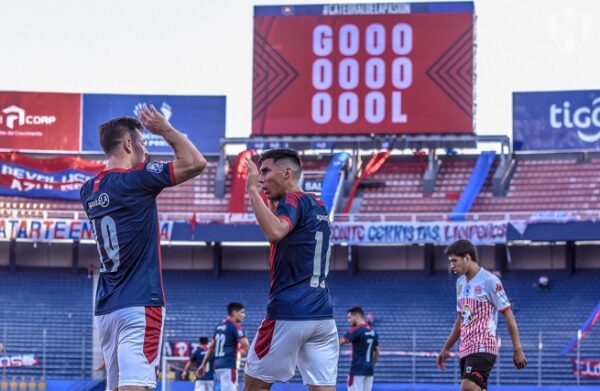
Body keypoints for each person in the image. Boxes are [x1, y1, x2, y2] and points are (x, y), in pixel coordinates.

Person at [80, 105, 207, 391]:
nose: (145, 151)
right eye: (142, 142)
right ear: (128, 144)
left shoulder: (89, 190)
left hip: (106, 307)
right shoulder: (137, 178)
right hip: (139, 301)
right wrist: (165, 129)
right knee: (136, 386)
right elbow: (196, 162)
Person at [242, 149, 339, 391]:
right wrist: (271, 200)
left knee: (254, 386)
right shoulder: (317, 203)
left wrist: (253, 190)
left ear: (287, 173)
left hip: (289, 312)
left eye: (265, 171)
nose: (261, 177)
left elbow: (276, 232)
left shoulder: (292, 200)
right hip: (323, 316)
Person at [437, 239, 527, 391]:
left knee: (467, 387)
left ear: (467, 257)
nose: (451, 266)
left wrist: (517, 349)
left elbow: (508, 315)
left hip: (483, 346)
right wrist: (446, 348)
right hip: (465, 348)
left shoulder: (490, 281)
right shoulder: (460, 283)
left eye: (454, 261)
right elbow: (460, 320)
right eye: (450, 262)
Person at [199, 303, 250, 391]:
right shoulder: (235, 326)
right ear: (234, 312)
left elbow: (211, 347)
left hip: (218, 366)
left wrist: (203, 365)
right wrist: (254, 361)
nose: (244, 315)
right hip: (229, 366)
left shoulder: (219, 326)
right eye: (242, 312)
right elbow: (245, 345)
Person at [339, 307, 380, 391]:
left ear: (357, 316)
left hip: (357, 370)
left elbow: (339, 342)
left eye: (350, 317)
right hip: (369, 370)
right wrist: (372, 363)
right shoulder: (373, 331)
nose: (348, 320)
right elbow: (378, 351)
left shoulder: (356, 330)